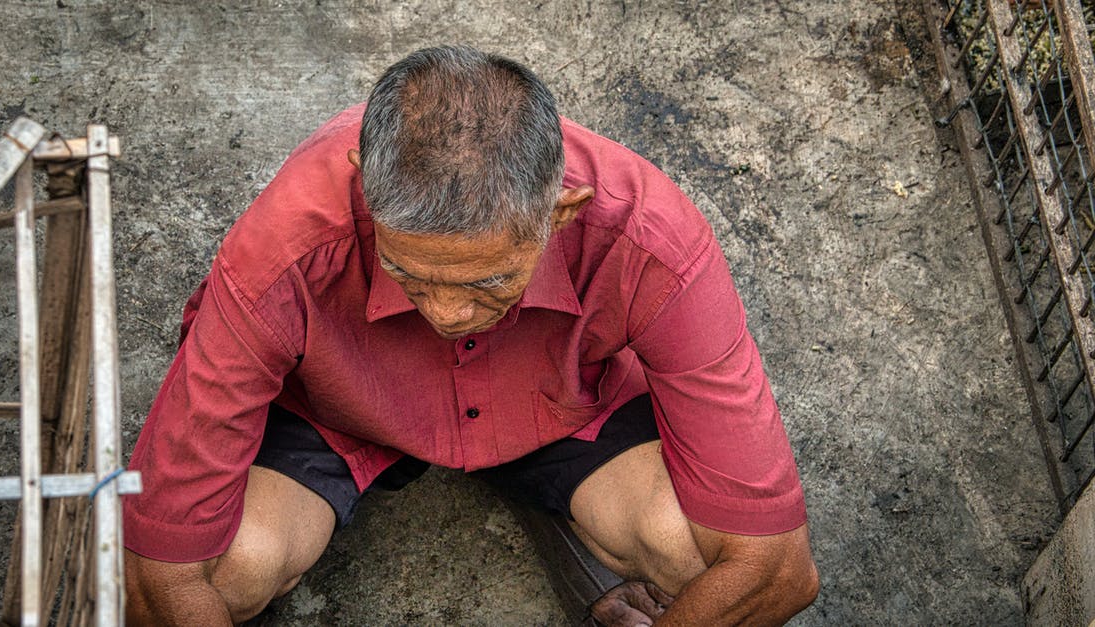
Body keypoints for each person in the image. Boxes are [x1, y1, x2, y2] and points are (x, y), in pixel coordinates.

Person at [123, 45, 818, 626]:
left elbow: (778, 568)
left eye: (488, 283)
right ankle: (581, 547)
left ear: (563, 214)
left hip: (558, 402)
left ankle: (566, 520)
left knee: (698, 554)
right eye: (409, 274)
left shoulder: (651, 238)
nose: (447, 315)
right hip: (337, 409)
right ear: (364, 189)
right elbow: (160, 573)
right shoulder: (279, 247)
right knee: (222, 568)